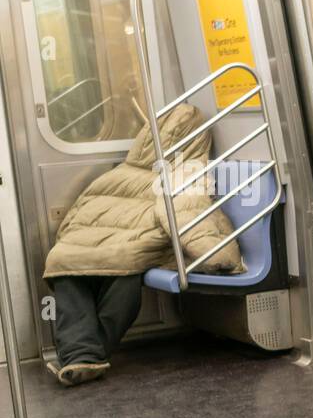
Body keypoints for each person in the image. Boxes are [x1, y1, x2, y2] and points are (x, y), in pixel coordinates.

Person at [42, 105, 245, 386]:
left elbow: (78, 212)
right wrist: (221, 256)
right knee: (114, 267)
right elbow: (190, 214)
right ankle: (84, 355)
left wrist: (68, 240)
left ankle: (81, 355)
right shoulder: (185, 173)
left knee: (63, 260)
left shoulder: (120, 171)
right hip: (131, 242)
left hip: (111, 242)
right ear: (197, 139)